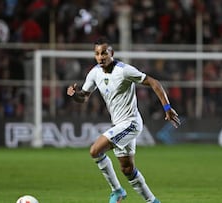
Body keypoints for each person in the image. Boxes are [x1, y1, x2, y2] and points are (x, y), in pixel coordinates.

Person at [67, 37, 180, 203]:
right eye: (97, 54)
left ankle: (117, 191)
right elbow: (84, 97)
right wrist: (74, 95)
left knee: (95, 151)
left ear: (111, 53)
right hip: (119, 124)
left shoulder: (124, 70)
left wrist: (167, 108)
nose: (101, 57)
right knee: (127, 169)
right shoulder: (94, 73)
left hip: (131, 123)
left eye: (104, 53)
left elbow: (154, 83)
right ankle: (153, 201)